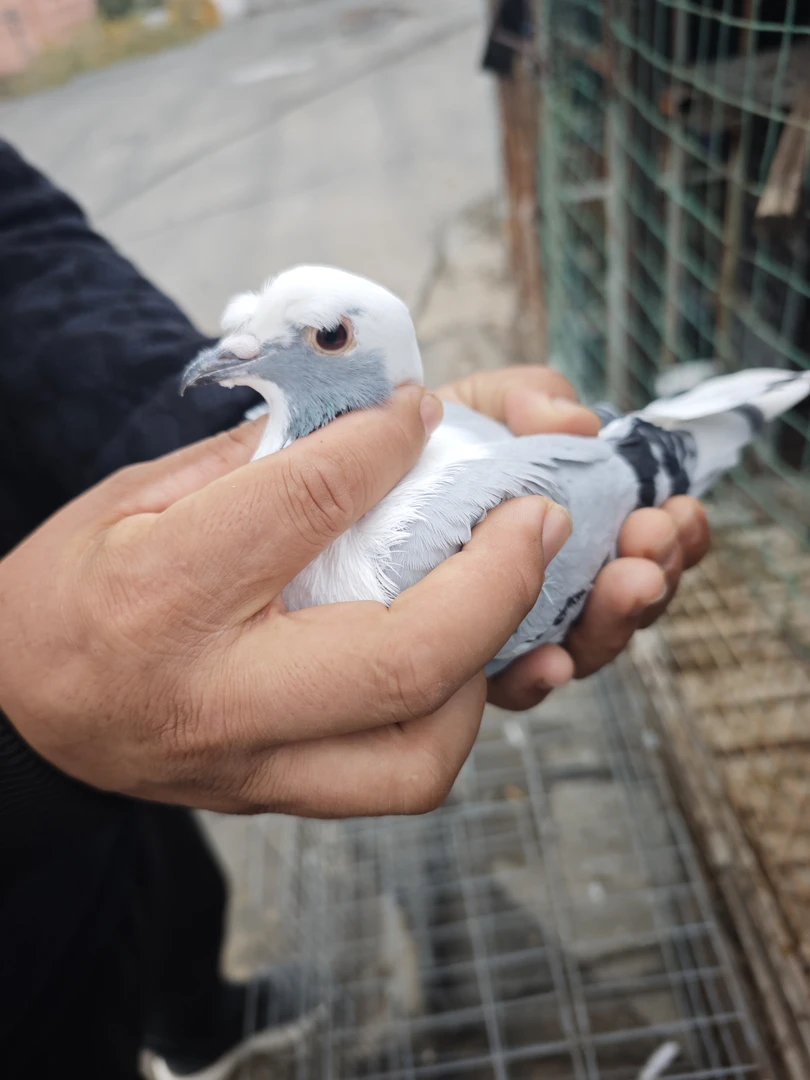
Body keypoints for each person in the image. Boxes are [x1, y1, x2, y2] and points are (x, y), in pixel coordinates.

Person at [0, 140, 709, 1080]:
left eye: (323, 337)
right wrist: (23, 736)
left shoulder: (445, 516)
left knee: (146, 909)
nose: (239, 350)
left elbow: (22, 249)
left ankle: (197, 1021)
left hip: (96, 849)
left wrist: (219, 454)